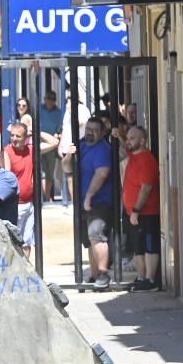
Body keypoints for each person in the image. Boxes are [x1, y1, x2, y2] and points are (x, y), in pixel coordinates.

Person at [72, 116, 117, 289]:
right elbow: (68, 168)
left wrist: (89, 196)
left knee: (96, 235)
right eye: (88, 129)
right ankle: (94, 274)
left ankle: (103, 273)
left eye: (94, 130)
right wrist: (69, 155)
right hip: (85, 201)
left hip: (100, 201)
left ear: (102, 132)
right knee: (89, 240)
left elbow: (102, 173)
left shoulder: (103, 149)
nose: (90, 133)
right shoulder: (82, 146)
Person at [123, 124, 160, 290]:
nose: (128, 141)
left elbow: (146, 187)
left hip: (146, 212)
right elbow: (126, 145)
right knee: (138, 248)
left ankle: (150, 280)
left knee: (149, 247)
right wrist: (120, 135)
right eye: (128, 138)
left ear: (143, 141)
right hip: (133, 213)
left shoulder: (146, 159)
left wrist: (136, 211)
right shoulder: (133, 155)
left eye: (132, 138)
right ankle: (141, 278)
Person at [2, 121, 39, 247]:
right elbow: (6, 177)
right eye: (12, 135)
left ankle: (25, 267)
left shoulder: (31, 149)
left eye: (18, 136)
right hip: (15, 205)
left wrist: (35, 133)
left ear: (26, 138)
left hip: (30, 203)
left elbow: (54, 143)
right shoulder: (7, 152)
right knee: (14, 243)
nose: (14, 139)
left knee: (27, 243)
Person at [38, 90, 66, 201]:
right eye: (48, 98)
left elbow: (60, 128)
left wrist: (58, 135)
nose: (50, 101)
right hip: (39, 143)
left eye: (52, 99)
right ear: (44, 99)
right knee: (40, 172)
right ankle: (42, 197)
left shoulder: (59, 113)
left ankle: (47, 197)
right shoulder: (39, 110)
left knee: (49, 172)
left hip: (51, 146)